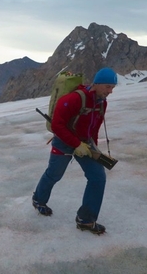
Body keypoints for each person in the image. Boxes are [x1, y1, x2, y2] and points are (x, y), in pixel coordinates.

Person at [32, 67, 117, 234]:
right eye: (108, 86)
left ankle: (86, 219)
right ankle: (38, 200)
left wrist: (93, 148)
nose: (110, 91)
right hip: (64, 141)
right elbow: (57, 125)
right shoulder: (74, 99)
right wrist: (76, 144)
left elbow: (94, 126)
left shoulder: (101, 103)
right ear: (97, 84)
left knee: (98, 178)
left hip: (85, 143)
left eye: (112, 87)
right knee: (54, 174)